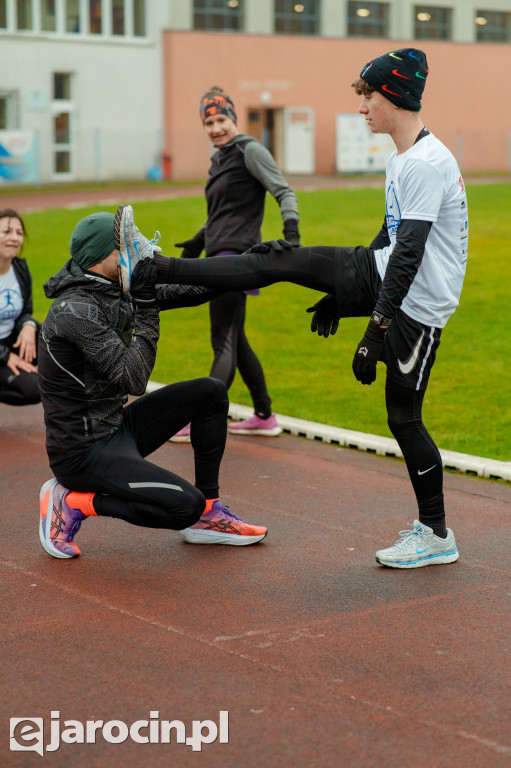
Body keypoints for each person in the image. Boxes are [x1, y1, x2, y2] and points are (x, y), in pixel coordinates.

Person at [152, 48, 468, 569]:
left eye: (367, 96)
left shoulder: (427, 164)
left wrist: (373, 330)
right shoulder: (403, 158)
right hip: (385, 275)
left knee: (403, 419)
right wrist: (341, 296)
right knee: (279, 260)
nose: (362, 107)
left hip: (417, 308)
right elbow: (389, 240)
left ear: (392, 95)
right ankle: (155, 270)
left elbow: (409, 258)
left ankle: (435, 534)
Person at [37, 205, 267, 560]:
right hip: (82, 453)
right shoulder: (74, 311)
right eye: (125, 244)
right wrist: (146, 305)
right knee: (181, 507)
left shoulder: (115, 284)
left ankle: (208, 514)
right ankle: (73, 501)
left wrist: (256, 263)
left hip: (117, 430)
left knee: (210, 392)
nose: (137, 247)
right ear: (103, 257)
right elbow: (134, 378)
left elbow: (197, 290)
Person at [171, 86, 300, 442]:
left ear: (234, 119)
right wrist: (199, 241)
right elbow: (223, 212)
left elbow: (284, 191)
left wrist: (292, 234)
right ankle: (264, 414)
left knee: (222, 341)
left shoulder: (249, 150)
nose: (216, 127)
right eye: (209, 122)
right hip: (220, 254)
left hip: (236, 258)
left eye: (222, 119)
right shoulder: (221, 158)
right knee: (235, 339)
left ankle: (200, 419)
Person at [0, 208, 40, 407]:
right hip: (2, 351)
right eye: (6, 232)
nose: (14, 238)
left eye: (18, 233)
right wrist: (5, 356)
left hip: (9, 340)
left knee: (55, 334)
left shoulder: (20, 268)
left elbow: (25, 312)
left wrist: (29, 325)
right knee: (32, 390)